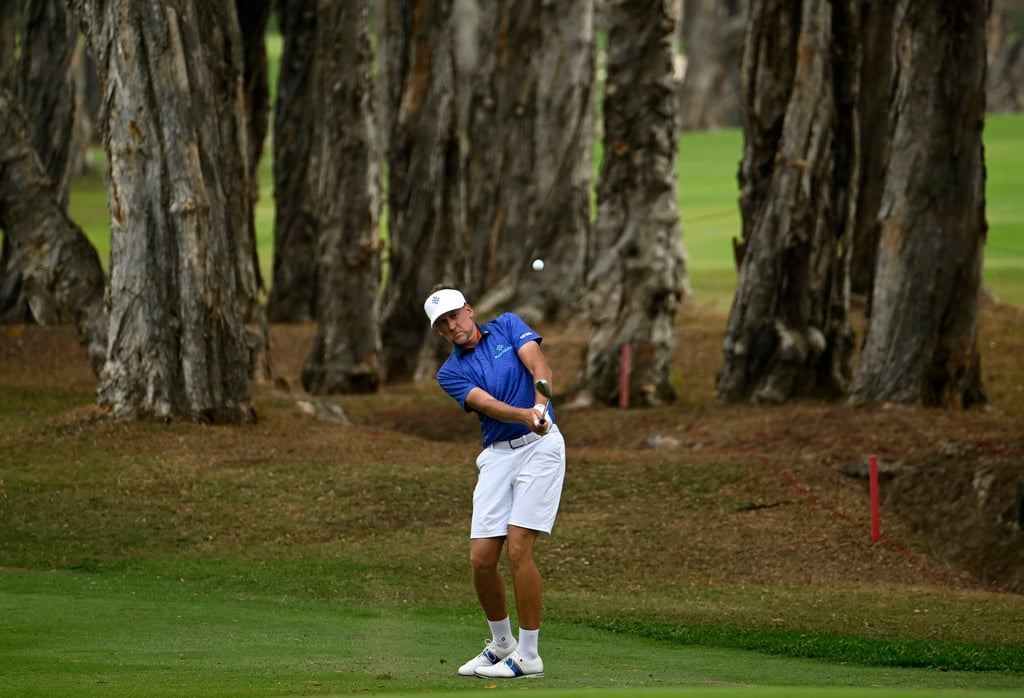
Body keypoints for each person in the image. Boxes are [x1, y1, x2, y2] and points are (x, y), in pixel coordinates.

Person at [423, 285, 567, 679]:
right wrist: (524, 415)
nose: (452, 326)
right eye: (443, 324)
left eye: (455, 315)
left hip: (541, 448)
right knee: (482, 558)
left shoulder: (506, 326)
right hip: (498, 455)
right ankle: (503, 644)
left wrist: (540, 405)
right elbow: (486, 404)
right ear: (439, 332)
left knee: (519, 547)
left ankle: (530, 655)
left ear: (469, 310)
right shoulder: (449, 372)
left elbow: (539, 366)